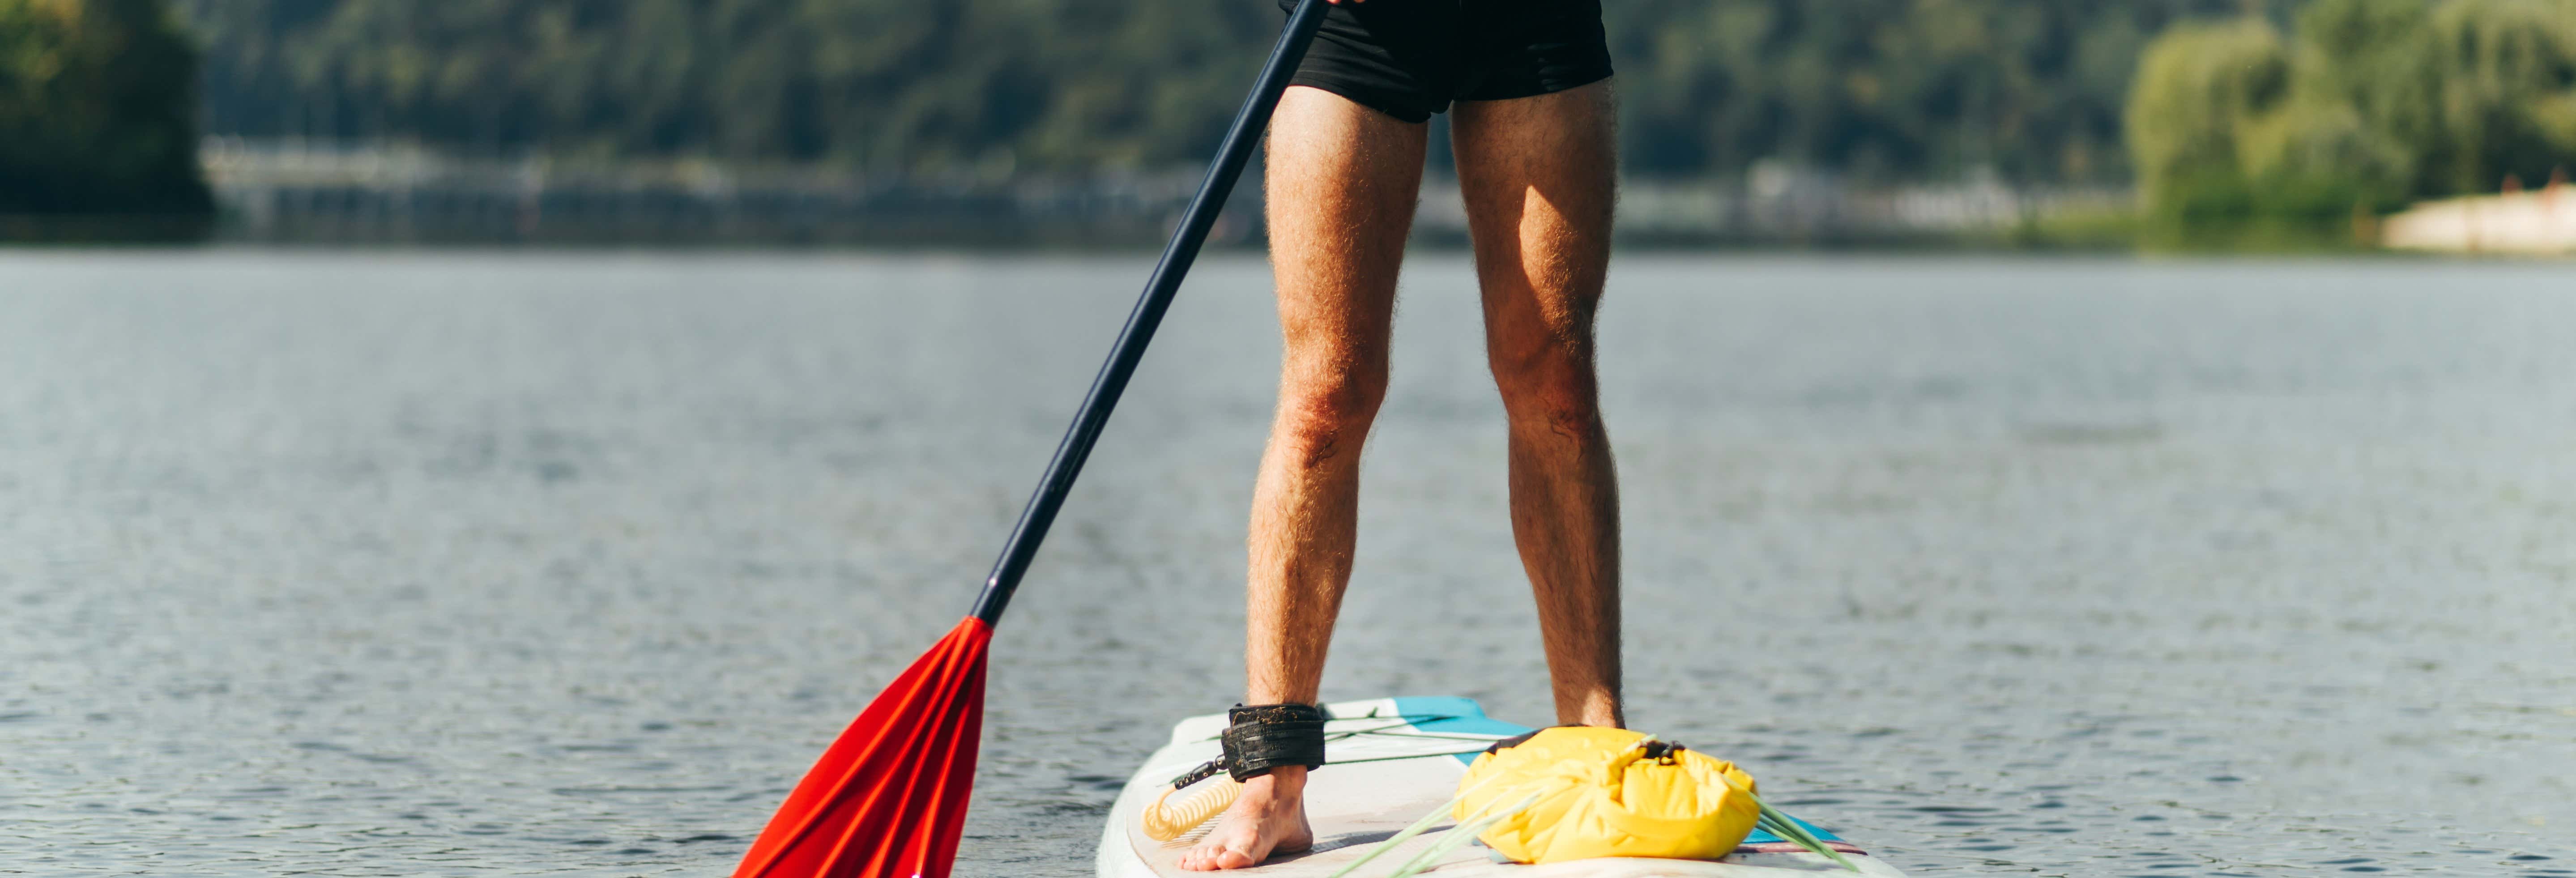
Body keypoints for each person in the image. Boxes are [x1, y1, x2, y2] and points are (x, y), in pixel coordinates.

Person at [1179, 0, 1623, 869]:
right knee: (1326, 396)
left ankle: (1593, 744)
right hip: (1357, 30)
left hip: (1532, 20)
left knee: (1557, 385)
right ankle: (1272, 780)